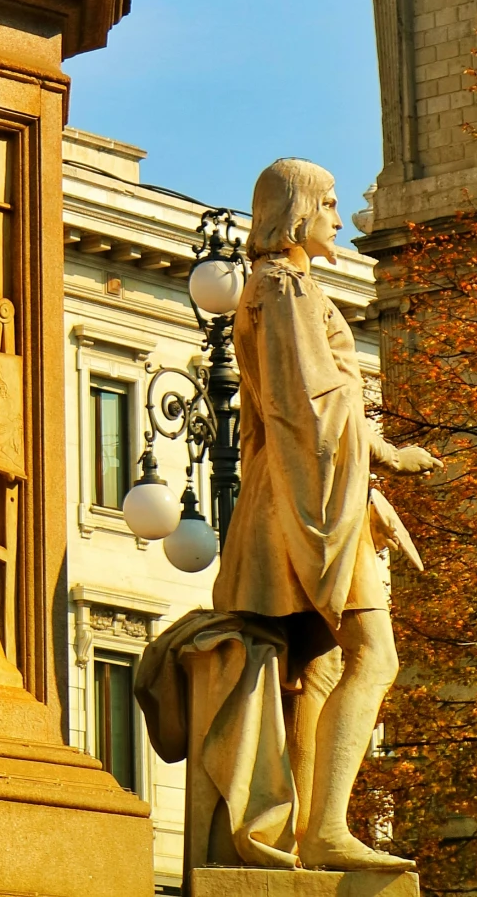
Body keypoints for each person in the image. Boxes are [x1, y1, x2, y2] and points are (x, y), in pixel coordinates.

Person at [212, 157, 440, 870]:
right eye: (330, 204)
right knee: (375, 657)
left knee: (315, 664)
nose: (339, 219)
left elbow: (316, 399)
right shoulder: (281, 289)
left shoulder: (281, 289)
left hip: (293, 496)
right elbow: (304, 405)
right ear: (297, 210)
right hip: (308, 502)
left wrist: (378, 452)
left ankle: (311, 830)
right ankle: (325, 828)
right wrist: (372, 477)